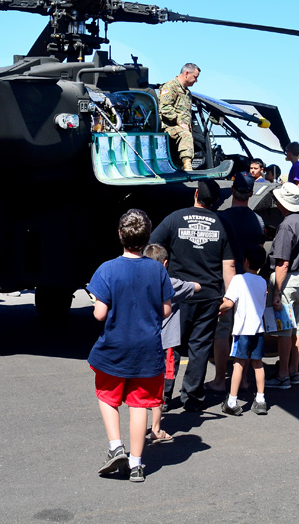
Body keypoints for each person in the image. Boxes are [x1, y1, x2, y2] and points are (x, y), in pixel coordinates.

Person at [88, 210, 174, 483]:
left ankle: (116, 447)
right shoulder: (156, 270)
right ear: (147, 237)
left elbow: (99, 314)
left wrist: (97, 300)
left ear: (120, 235)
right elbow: (166, 310)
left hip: (114, 347)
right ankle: (137, 464)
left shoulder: (107, 269)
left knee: (107, 397)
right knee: (140, 405)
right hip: (147, 349)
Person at [152, 179, 235, 411]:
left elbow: (152, 249)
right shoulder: (222, 223)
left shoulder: (174, 218)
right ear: (216, 201)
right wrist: (229, 298)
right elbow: (228, 265)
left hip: (178, 293)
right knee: (200, 346)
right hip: (209, 295)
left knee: (171, 345)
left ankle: (164, 397)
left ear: (196, 194)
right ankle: (193, 396)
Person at [209, 172, 267, 393]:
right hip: (251, 279)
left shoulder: (221, 218)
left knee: (224, 330)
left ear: (232, 190)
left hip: (227, 280)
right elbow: (260, 250)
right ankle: (243, 379)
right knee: (247, 329)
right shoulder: (258, 221)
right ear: (251, 193)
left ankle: (220, 379)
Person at [141, 244, 200, 442]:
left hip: (143, 340)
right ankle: (157, 425)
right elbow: (196, 287)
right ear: (165, 263)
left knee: (143, 385)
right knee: (162, 382)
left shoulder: (139, 282)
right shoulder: (171, 284)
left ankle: (142, 419)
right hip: (165, 341)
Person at [267, 182, 299, 389]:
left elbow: (282, 263)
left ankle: (283, 374)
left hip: (288, 279)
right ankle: (293, 371)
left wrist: (276, 291)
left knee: (285, 329)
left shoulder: (287, 225)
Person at [220, 246, 271, 416]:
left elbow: (228, 303)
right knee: (258, 364)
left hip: (242, 329)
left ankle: (232, 401)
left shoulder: (239, 279)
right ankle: (261, 399)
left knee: (238, 364)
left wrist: (217, 309)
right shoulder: (263, 281)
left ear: (246, 261)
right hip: (258, 328)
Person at [157, 63, 199, 172]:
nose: (196, 80)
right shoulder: (170, 87)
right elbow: (165, 108)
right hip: (169, 127)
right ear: (186, 74)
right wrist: (180, 122)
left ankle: (180, 166)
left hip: (181, 128)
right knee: (185, 135)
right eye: (195, 77)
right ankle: (188, 165)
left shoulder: (187, 92)